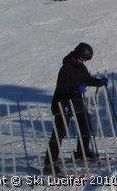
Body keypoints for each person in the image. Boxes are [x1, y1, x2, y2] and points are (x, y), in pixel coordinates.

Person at [43, 43, 107, 173]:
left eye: (85, 60)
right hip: (63, 103)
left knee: (85, 123)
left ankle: (82, 151)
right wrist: (75, 89)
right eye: (83, 58)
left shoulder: (80, 67)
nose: (84, 61)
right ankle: (49, 163)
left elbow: (87, 79)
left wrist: (98, 82)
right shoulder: (66, 68)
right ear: (77, 55)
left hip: (76, 101)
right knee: (60, 132)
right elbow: (62, 88)